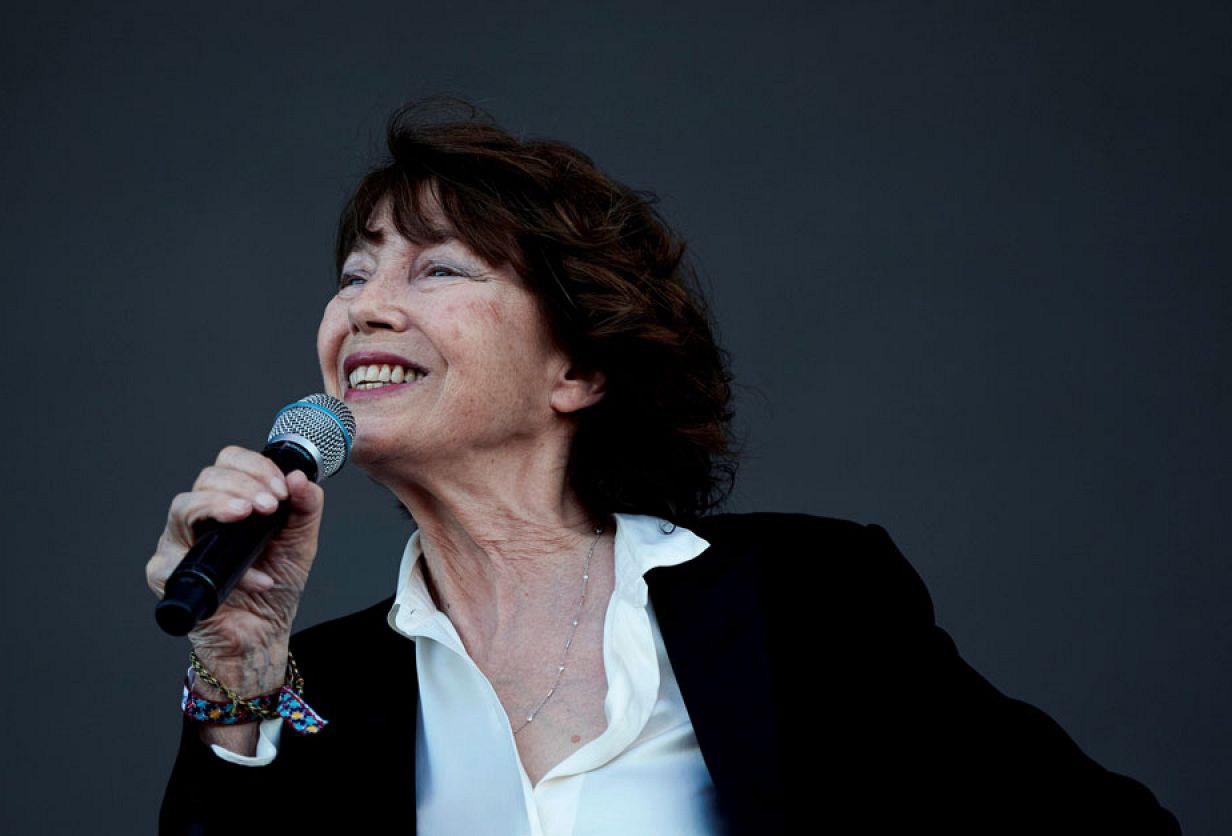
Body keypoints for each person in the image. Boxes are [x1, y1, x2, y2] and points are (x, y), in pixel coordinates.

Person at [145, 99, 1179, 834]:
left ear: (580, 368)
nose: (363, 303)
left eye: (439, 267)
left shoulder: (810, 600)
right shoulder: (313, 690)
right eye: (354, 272)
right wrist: (235, 679)